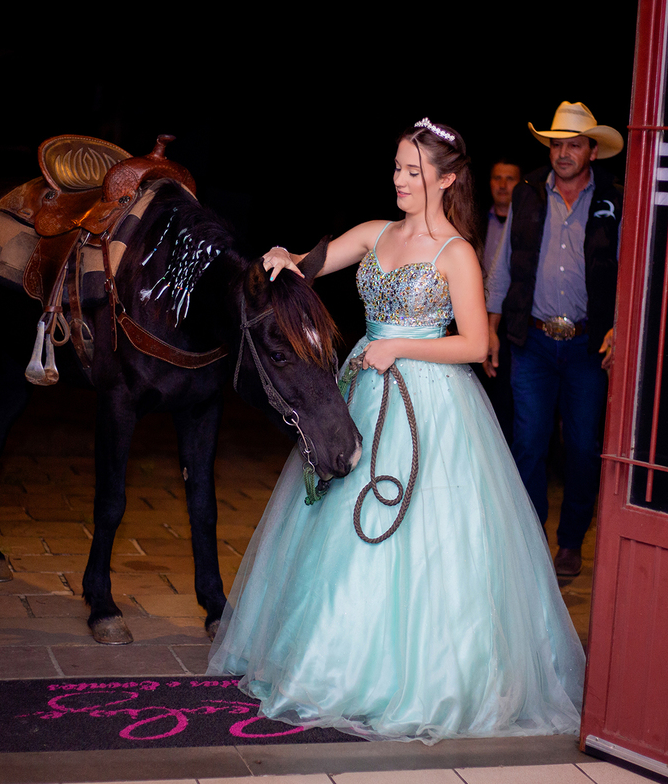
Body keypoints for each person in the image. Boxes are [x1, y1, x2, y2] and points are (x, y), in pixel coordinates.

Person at [207, 118, 585, 743]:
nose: (400, 180)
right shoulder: (374, 233)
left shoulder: (456, 253)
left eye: (413, 171)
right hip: (365, 390)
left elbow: (474, 344)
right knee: (343, 520)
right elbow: (304, 265)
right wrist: (281, 257)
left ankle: (419, 675)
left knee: (427, 535)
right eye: (397, 168)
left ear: (447, 179)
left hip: (430, 403)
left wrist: (401, 346)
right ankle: (333, 658)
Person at [485, 101, 623, 578]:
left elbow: (632, 269)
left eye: (574, 145)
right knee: (528, 442)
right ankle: (530, 537)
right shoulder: (527, 193)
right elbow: (502, 267)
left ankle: (571, 542)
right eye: (557, 144)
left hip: (588, 345)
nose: (564, 153)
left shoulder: (614, 199)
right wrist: (491, 330)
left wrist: (620, 326)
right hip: (534, 342)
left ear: (592, 151)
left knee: (583, 447)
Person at [481, 159, 522, 440]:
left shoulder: (528, 223)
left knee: (509, 397)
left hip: (511, 322)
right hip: (474, 315)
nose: (503, 185)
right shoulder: (476, 222)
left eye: (510, 178)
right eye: (497, 178)